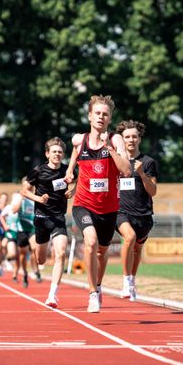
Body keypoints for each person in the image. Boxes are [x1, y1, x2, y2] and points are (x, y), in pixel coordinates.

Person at [65, 95, 130, 313]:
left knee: (102, 252)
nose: (101, 117)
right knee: (90, 242)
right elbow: (75, 151)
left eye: (105, 114)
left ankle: (99, 286)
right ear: (90, 116)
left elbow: (126, 170)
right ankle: (92, 293)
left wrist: (109, 149)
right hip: (83, 204)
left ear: (110, 118)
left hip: (108, 208)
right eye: (97, 113)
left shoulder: (115, 140)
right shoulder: (78, 139)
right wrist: (69, 171)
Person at [22, 137, 74, 308]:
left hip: (58, 218)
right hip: (42, 219)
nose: (57, 154)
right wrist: (39, 198)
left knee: (60, 254)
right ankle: (38, 258)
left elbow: (80, 180)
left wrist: (72, 190)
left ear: (63, 154)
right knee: (41, 260)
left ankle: (52, 295)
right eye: (54, 151)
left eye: (60, 152)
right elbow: (24, 190)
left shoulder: (67, 171)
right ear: (47, 154)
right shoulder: (38, 171)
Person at [114, 120, 158, 301]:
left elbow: (153, 191)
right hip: (120, 212)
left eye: (134, 136)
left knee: (137, 248)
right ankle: (126, 281)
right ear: (121, 139)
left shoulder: (148, 162)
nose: (130, 140)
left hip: (144, 215)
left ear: (139, 139)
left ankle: (132, 280)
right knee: (129, 237)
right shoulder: (116, 161)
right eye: (127, 137)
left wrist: (141, 173)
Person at [13, 177, 42, 284]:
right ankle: (25, 272)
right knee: (23, 254)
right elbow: (14, 210)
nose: (29, 186)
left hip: (33, 228)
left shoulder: (35, 196)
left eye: (31, 184)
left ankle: (36, 271)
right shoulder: (17, 196)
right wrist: (21, 198)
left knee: (34, 248)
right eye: (27, 185)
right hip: (22, 229)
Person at [0, 195, 24, 285]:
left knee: (18, 257)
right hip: (10, 232)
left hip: (20, 233)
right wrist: (5, 225)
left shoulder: (23, 208)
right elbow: (1, 216)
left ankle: (14, 276)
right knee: (13, 253)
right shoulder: (8, 208)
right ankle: (5, 261)